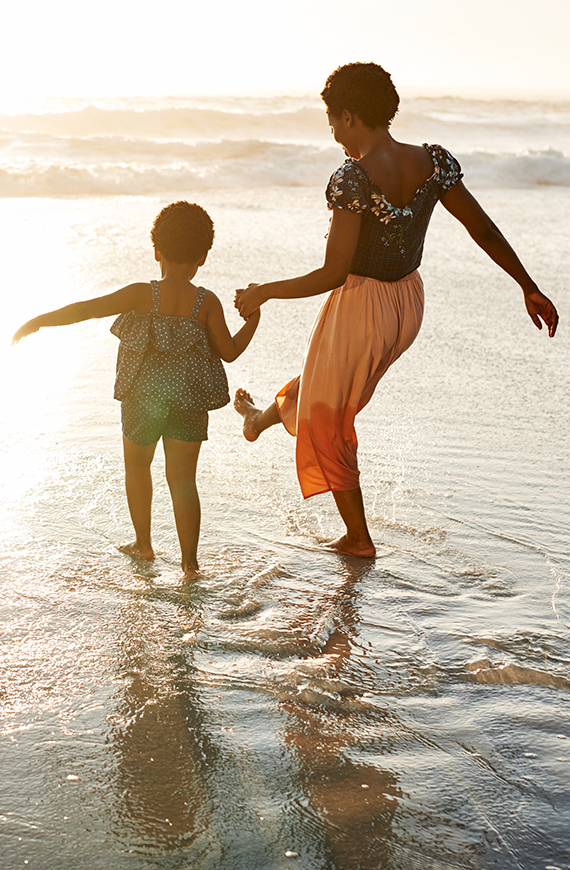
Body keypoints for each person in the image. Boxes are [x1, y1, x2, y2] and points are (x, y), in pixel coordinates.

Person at [234, 62, 559, 559]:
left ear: (348, 116)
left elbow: (334, 273)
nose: (334, 136)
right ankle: (259, 421)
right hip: (407, 305)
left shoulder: (352, 179)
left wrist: (264, 292)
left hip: (362, 306)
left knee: (328, 418)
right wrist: (527, 286)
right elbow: (483, 229)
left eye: (333, 123)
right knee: (325, 386)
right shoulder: (433, 161)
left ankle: (357, 538)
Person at [13, 201, 260, 578]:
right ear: (203, 257)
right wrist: (254, 318)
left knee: (137, 467)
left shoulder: (141, 294)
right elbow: (229, 352)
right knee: (183, 481)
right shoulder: (206, 302)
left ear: (156, 250)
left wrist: (38, 321)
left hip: (142, 400)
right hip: (188, 402)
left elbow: (85, 309)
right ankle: (190, 565)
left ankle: (143, 544)